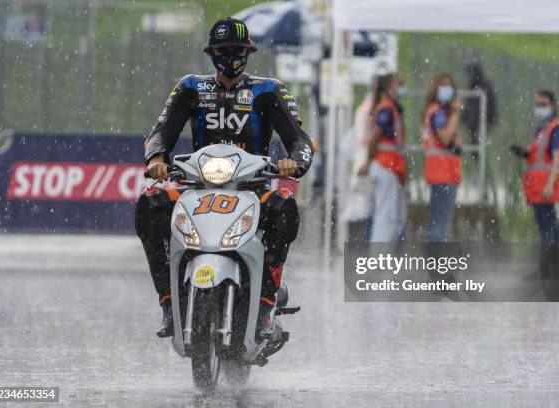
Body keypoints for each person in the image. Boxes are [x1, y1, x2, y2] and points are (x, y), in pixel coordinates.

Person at [135, 17, 314, 339]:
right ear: (210, 53)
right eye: (222, 50)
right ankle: (168, 302)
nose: (229, 55)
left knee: (283, 209)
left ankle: (264, 307)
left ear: (248, 53)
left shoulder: (268, 90)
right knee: (150, 205)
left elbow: (301, 140)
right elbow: (160, 132)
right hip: (197, 188)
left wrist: (294, 164)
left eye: (236, 49)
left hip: (253, 189)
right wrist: (157, 159)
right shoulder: (191, 87)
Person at [358, 73, 408, 245]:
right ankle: (377, 263)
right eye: (399, 84)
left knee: (392, 219)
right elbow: (375, 137)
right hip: (385, 166)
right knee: (385, 219)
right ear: (389, 88)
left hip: (390, 168)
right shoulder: (386, 108)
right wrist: (367, 163)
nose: (403, 87)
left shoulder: (389, 108)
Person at [510, 90, 559, 243]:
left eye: (543, 104)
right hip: (537, 187)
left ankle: (550, 264)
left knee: (548, 229)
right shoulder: (542, 129)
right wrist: (523, 153)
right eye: (537, 104)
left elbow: (557, 158)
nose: (540, 108)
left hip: (546, 188)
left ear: (553, 106)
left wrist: (549, 184)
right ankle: (558, 262)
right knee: (548, 228)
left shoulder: (556, 129)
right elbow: (537, 156)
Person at [421, 73, 463, 242]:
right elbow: (445, 137)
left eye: (449, 86)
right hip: (442, 173)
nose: (447, 89)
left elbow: (448, 141)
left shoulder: (436, 112)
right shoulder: (438, 112)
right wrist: (456, 112)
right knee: (439, 224)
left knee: (439, 223)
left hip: (442, 172)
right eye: (443, 85)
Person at [461, 63, 498, 154]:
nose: (470, 76)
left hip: (481, 124)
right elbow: (469, 105)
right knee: (474, 149)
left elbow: (490, 107)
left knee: (479, 150)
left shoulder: (484, 86)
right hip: (474, 125)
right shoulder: (472, 86)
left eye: (471, 72)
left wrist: (488, 122)